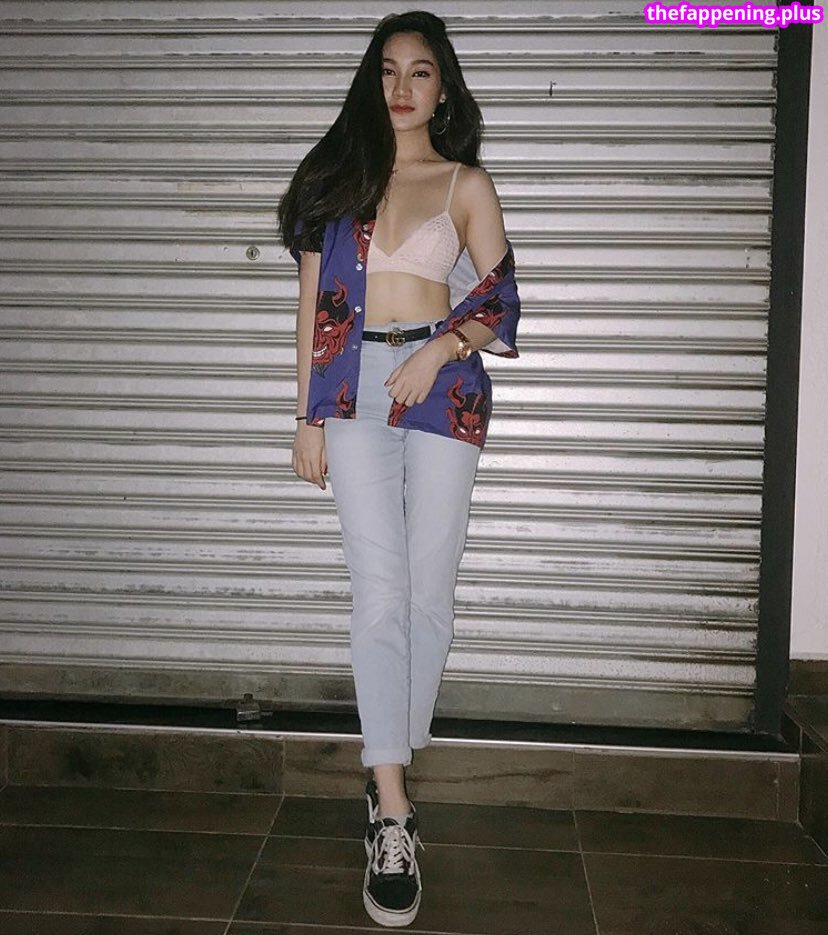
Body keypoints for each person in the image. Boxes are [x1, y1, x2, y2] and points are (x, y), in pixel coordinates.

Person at [278, 10, 520, 928]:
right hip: (351, 384)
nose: (403, 87)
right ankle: (391, 805)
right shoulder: (337, 180)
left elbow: (500, 301)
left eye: (421, 72)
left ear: (442, 88)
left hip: (441, 380)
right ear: (372, 81)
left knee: (428, 590)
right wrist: (307, 414)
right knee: (379, 593)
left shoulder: (465, 182)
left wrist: (442, 347)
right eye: (389, 70)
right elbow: (312, 305)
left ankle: (390, 750)